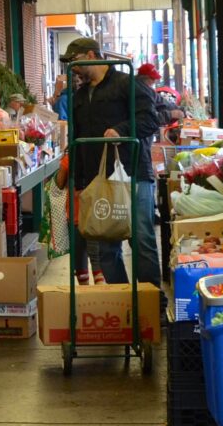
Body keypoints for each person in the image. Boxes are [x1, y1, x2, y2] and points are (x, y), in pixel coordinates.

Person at [58, 36, 161, 288]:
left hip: (133, 174)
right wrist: (79, 183)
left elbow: (150, 120)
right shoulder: (80, 96)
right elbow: (77, 139)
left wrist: (121, 129)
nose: (72, 67)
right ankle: (123, 300)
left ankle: (150, 302)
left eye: (75, 60)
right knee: (105, 247)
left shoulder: (127, 84)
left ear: (92, 56)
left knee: (141, 240)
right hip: (98, 180)